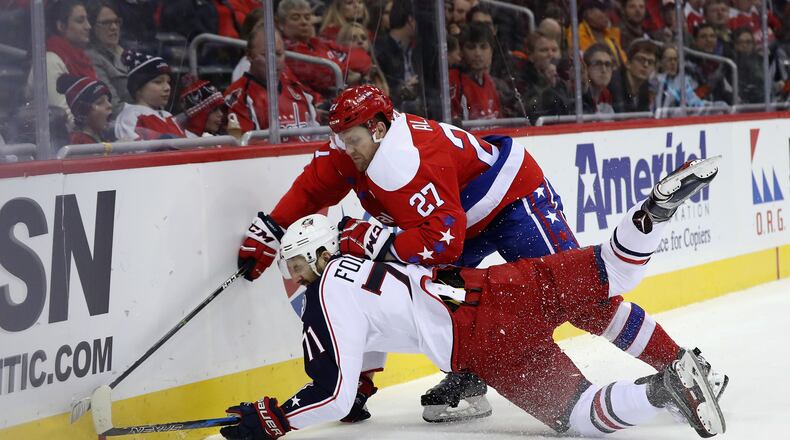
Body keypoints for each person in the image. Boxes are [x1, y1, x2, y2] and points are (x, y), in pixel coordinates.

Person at [234, 84, 720, 423]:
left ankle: (683, 366)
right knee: (441, 300)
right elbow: (315, 187)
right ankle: (468, 374)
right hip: (456, 218)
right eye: (340, 139)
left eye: (353, 139)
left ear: (379, 128)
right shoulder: (358, 148)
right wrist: (271, 229)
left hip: (509, 201)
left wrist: (378, 241)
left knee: (586, 300)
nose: (345, 149)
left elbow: (441, 242)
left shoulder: (407, 162)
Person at [223, 25, 322, 140]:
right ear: (250, 56)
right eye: (265, 55)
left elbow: (318, 137)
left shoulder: (298, 90)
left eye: (278, 54)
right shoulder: (238, 97)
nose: (273, 61)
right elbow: (244, 145)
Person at [278, 0, 372, 98]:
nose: (304, 22)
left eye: (307, 17)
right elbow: (322, 75)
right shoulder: (287, 51)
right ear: (281, 23)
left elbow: (362, 58)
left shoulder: (319, 43)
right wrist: (346, 71)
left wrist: (341, 70)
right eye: (295, 17)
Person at [30, 0, 95, 122]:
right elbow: (62, 117)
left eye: (87, 20)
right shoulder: (49, 62)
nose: (88, 26)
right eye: (80, 21)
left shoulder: (84, 59)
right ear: (61, 26)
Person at [114, 50, 186, 141]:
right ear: (138, 88)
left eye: (168, 82)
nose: (167, 87)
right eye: (158, 82)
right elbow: (132, 147)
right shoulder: (131, 115)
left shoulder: (168, 116)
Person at [86, 0, 131, 115]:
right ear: (92, 26)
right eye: (106, 23)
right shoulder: (92, 58)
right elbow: (114, 107)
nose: (114, 27)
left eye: (116, 21)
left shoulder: (127, 53)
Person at [449, 22, 502, 121]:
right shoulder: (452, 81)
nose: (478, 53)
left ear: (491, 51)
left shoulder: (490, 82)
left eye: (483, 47)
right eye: (471, 47)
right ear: (461, 51)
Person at [56, 74, 113, 144]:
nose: (109, 105)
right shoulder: (80, 144)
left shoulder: (101, 137)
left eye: (108, 100)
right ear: (83, 112)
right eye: (99, 102)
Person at [336, 22, 390, 95]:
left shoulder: (376, 73)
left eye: (364, 38)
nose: (360, 41)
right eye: (353, 39)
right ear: (342, 44)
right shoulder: (340, 73)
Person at [610, 39, 658, 112]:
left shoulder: (645, 86)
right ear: (628, 63)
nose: (646, 65)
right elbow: (620, 115)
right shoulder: (615, 83)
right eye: (641, 60)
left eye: (650, 62)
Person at [582, 43, 615, 114]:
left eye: (607, 64)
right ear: (586, 68)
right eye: (598, 64)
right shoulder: (579, 96)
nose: (604, 70)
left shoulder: (606, 94)